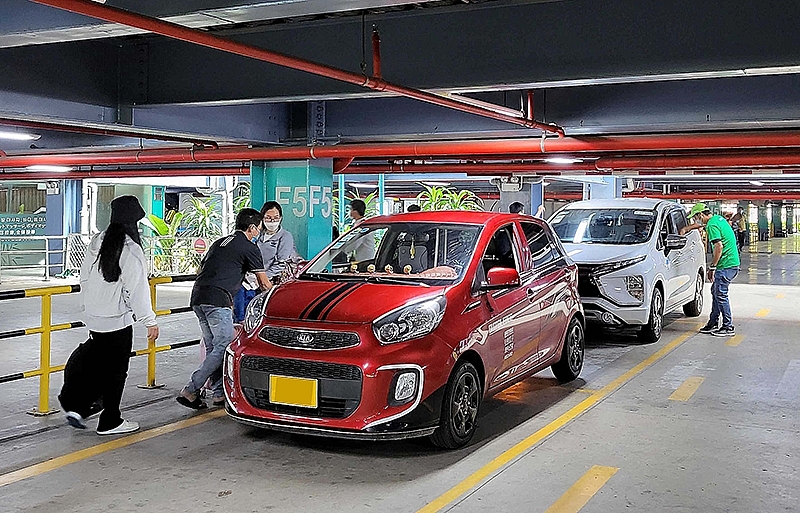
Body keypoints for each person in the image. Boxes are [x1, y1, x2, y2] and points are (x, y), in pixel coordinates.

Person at [59, 196, 158, 435]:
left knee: (95, 363)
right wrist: (149, 320)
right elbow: (137, 289)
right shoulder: (131, 249)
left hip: (94, 318)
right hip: (117, 321)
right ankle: (110, 420)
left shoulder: (97, 241)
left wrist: (87, 308)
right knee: (116, 371)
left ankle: (78, 406)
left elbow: (84, 278)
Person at [177, 208, 273, 409]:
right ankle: (191, 389)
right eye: (260, 227)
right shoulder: (249, 247)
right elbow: (264, 284)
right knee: (224, 346)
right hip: (218, 300)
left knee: (213, 347)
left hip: (198, 297)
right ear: (253, 228)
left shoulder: (219, 242)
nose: (261, 231)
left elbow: (203, 269)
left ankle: (219, 394)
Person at [233, 201, 297, 322]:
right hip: (250, 279)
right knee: (241, 310)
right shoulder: (256, 234)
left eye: (276, 218)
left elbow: (280, 263)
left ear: (281, 218)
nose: (272, 221)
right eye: (268, 218)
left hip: (269, 281)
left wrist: (261, 278)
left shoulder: (285, 236)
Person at [684, 203, 740, 337]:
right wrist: (687, 228)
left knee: (720, 294)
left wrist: (712, 267)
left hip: (725, 265)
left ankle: (728, 326)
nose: (695, 220)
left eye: (695, 217)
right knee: (716, 292)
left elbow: (718, 247)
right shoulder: (717, 219)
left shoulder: (712, 225)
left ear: (700, 215)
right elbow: (701, 225)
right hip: (731, 263)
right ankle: (713, 323)